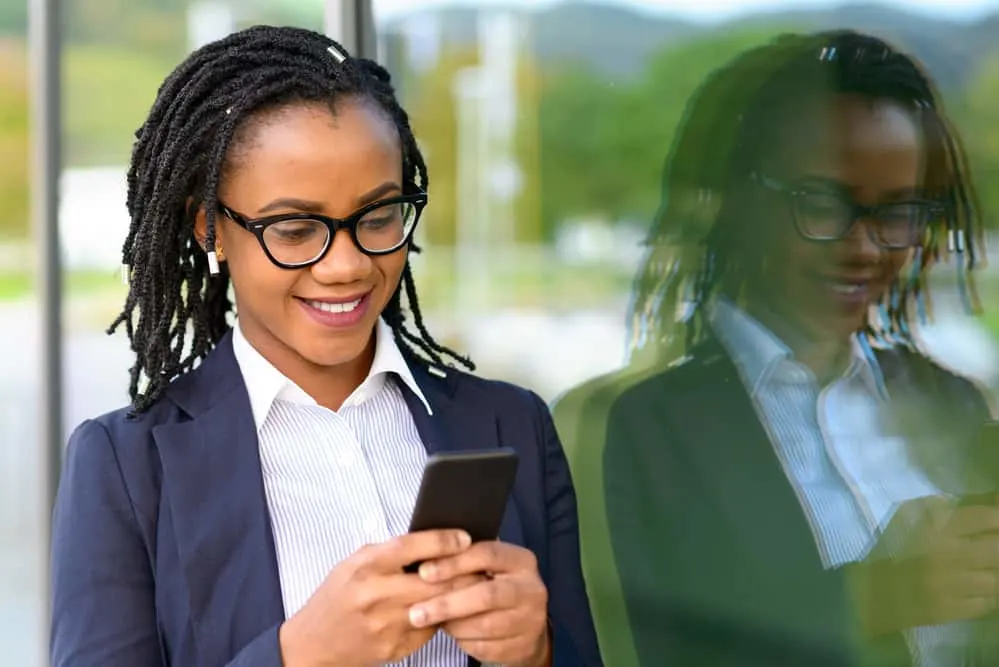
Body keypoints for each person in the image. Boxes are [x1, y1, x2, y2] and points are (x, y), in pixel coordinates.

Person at [50, 25, 601, 667]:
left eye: (377, 218)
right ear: (211, 230)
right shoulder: (128, 468)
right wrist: (298, 656)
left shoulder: (513, 424)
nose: (345, 265)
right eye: (294, 229)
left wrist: (538, 650)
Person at [555, 30, 999, 667]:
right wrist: (877, 598)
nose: (866, 247)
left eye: (898, 213)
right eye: (822, 203)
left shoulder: (950, 402)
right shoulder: (634, 428)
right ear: (740, 201)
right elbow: (653, 649)